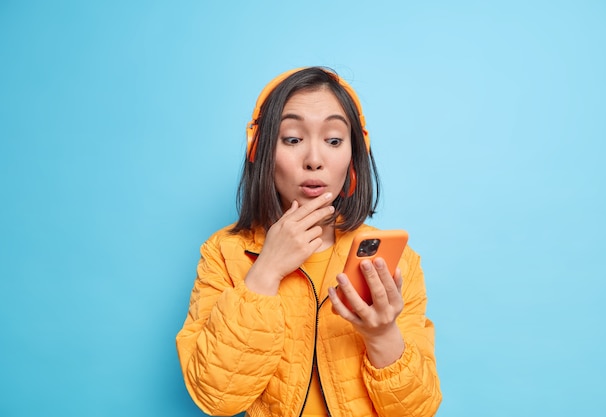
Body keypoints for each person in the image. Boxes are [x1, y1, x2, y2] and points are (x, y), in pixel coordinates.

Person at [176, 67, 442, 417]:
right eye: (292, 139)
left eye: (333, 140)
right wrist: (266, 271)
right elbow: (217, 398)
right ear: (260, 151)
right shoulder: (224, 253)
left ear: (353, 157)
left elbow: (418, 411)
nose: (314, 160)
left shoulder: (397, 261)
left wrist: (381, 336)